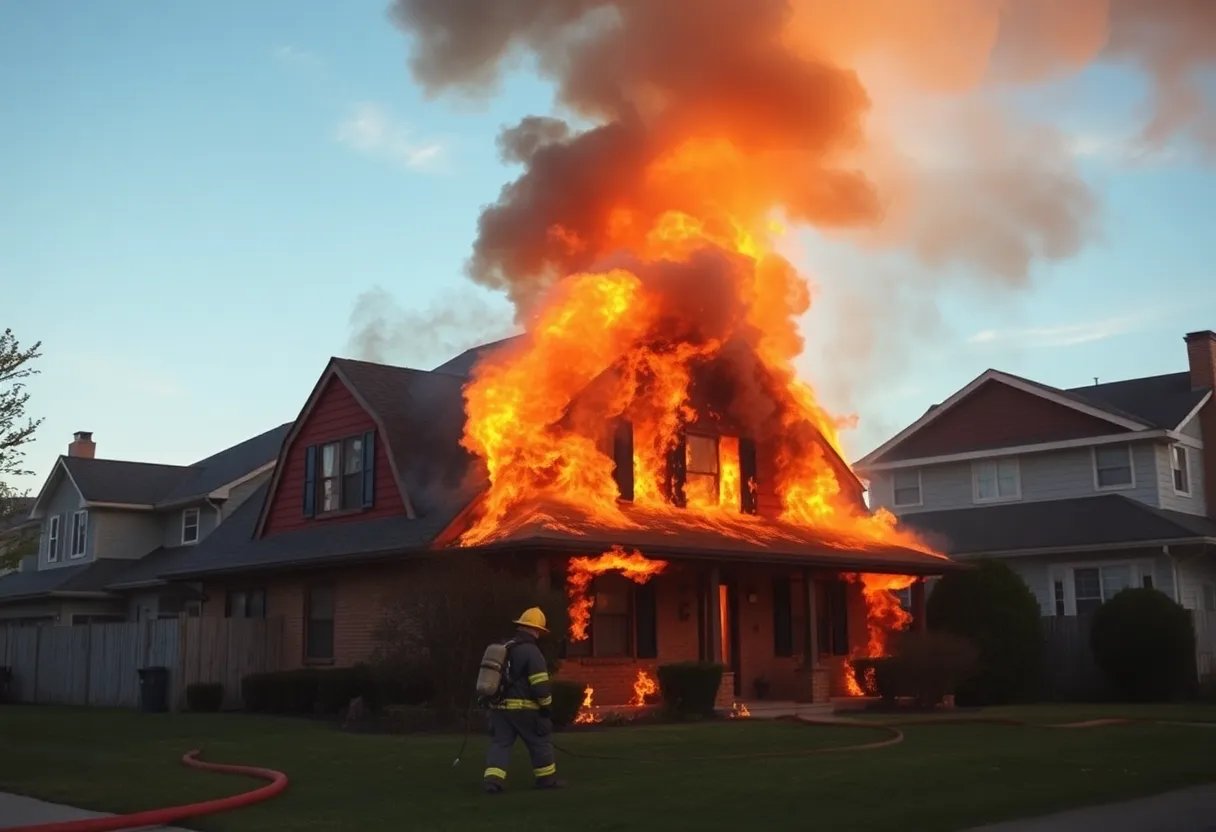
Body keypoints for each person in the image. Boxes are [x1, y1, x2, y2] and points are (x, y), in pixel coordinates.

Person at [483, 607, 562, 794]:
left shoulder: (505, 647)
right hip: (524, 710)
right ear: (536, 630)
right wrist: (546, 707)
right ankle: (546, 780)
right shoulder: (532, 652)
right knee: (540, 742)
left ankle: (492, 782)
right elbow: (540, 684)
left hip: (500, 708)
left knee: (500, 744)